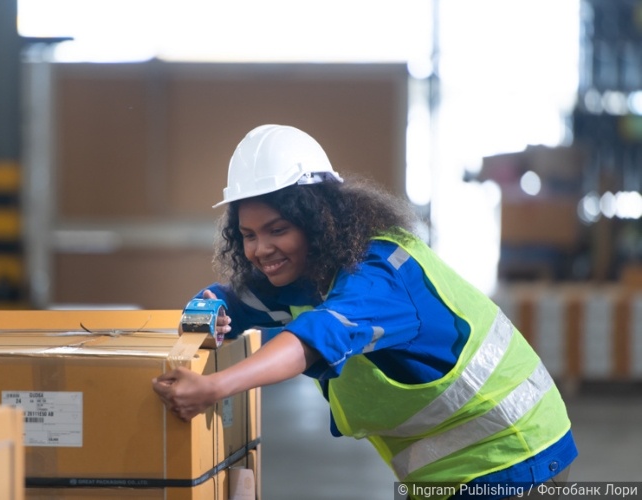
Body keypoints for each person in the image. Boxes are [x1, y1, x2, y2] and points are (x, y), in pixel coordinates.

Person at [152, 124, 577, 499]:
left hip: (514, 457)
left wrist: (214, 387)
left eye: (277, 230)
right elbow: (234, 298)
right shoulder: (307, 276)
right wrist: (206, 310)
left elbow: (315, 337)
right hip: (453, 474)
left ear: (316, 220)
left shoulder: (378, 275)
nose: (261, 249)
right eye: (248, 235)